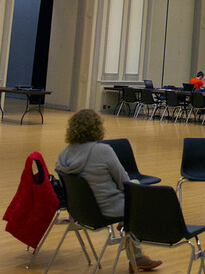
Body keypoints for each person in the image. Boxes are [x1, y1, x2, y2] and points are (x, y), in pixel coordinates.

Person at [56, 109, 162, 271]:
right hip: (106, 209)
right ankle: (136, 254)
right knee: (138, 195)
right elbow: (125, 183)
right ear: (97, 128)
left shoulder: (64, 154)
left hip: (80, 212)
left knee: (131, 198)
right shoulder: (103, 151)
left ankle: (127, 229)